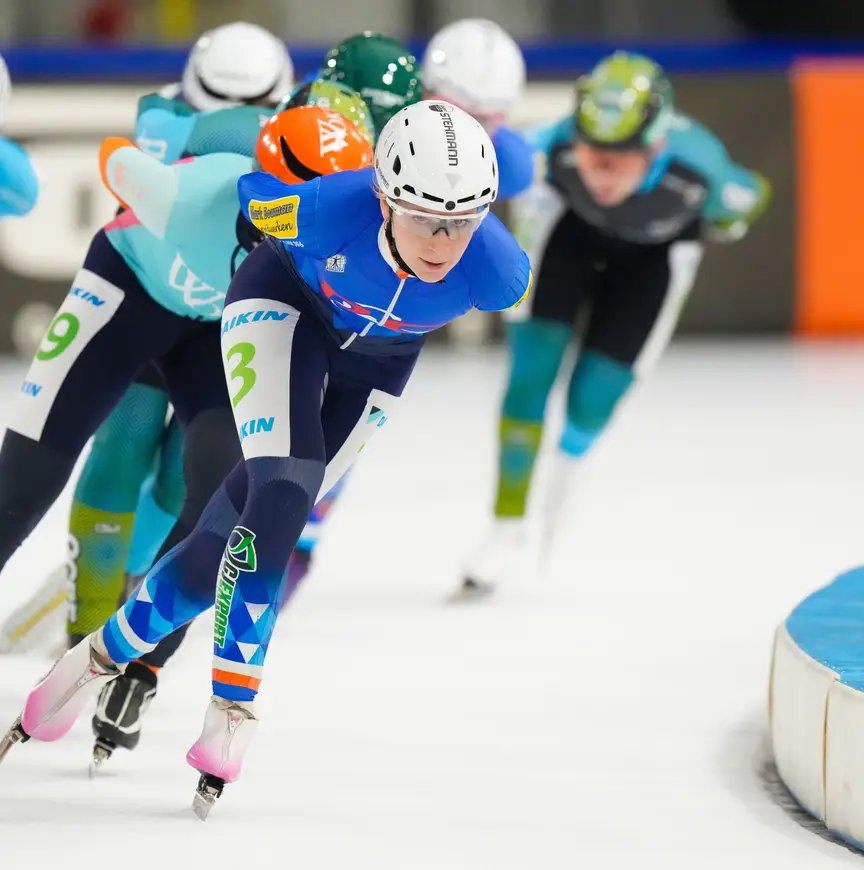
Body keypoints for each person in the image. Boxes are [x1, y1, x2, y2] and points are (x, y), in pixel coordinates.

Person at [1, 101, 532, 820]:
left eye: (463, 221)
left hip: (378, 362)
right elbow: (256, 198)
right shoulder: (325, 211)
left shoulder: (500, 272)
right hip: (282, 307)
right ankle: (232, 707)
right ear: (383, 199)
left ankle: (97, 655)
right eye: (423, 218)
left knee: (233, 535)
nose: (444, 242)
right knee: (284, 487)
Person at [0, 21, 294, 656]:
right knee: (121, 450)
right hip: (145, 293)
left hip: (206, 314)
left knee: (180, 482)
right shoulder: (173, 126)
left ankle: (110, 593)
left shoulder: (193, 123)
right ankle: (90, 610)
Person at [458, 51, 772, 598]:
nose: (598, 172)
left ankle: (567, 473)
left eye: (617, 159)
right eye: (589, 153)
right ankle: (505, 524)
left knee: (593, 398)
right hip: (569, 239)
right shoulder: (554, 145)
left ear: (654, 147)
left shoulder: (701, 171)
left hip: (652, 262)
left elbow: (749, 198)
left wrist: (726, 223)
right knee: (530, 376)